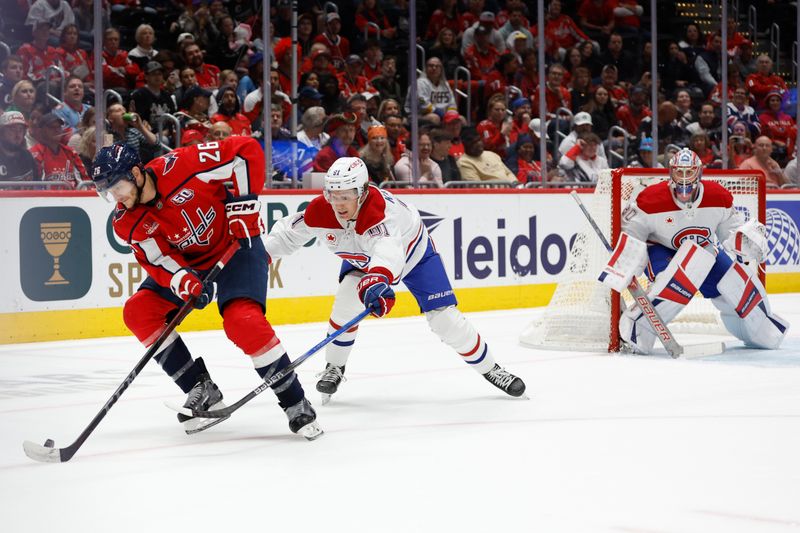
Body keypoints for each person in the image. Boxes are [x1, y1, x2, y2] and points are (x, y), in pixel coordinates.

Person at [90, 139, 323, 439]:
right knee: (139, 311)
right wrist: (184, 281)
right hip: (192, 265)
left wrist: (244, 206)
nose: (115, 197)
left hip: (237, 248)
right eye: (108, 192)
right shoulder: (126, 221)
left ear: (136, 173)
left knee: (243, 322)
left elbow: (246, 151)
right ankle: (201, 388)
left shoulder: (184, 165)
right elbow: (158, 259)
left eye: (117, 187)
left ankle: (295, 402)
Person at [265, 156, 526, 403]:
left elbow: (388, 250)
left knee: (446, 320)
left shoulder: (379, 213)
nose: (339, 204)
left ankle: (492, 369)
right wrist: (257, 258)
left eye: (346, 196)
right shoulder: (320, 211)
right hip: (362, 259)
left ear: (362, 191)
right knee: (345, 306)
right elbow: (286, 236)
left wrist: (377, 280)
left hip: (415, 256)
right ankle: (334, 366)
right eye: (333, 196)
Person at [598, 148, 788, 354]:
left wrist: (744, 241)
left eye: (689, 172)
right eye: (679, 172)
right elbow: (632, 235)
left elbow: (730, 234)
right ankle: (635, 330)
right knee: (677, 279)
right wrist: (626, 264)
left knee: (737, 282)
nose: (684, 178)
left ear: (699, 172)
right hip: (662, 250)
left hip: (704, 251)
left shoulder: (718, 196)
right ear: (671, 172)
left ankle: (763, 331)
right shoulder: (650, 199)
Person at [0, 111, 37, 183]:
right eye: (12, 129)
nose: (17, 135)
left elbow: (38, 184)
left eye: (20, 130)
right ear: (1, 132)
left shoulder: (27, 155)